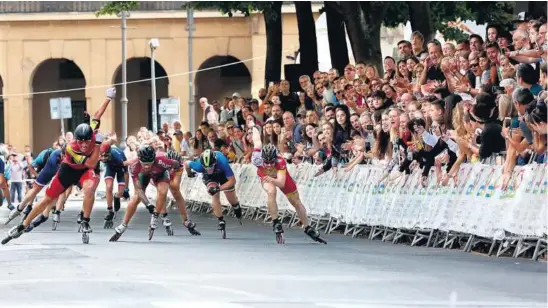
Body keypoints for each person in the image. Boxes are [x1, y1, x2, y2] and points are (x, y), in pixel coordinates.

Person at [2, 87, 116, 245]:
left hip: (84, 171)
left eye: (86, 141)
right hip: (68, 171)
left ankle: (85, 220)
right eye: (80, 141)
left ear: (91, 135)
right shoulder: (71, 147)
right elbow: (91, 162)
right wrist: (96, 144)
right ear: (76, 139)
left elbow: (97, 115)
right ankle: (23, 225)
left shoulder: (93, 132)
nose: (83, 144)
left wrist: (108, 98)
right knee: (45, 201)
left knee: (90, 189)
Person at [250, 124, 326, 244]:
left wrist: (271, 177)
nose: (269, 165)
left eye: (271, 162)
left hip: (279, 177)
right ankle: (276, 222)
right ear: (262, 159)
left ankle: (307, 227)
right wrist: (254, 127)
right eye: (267, 162)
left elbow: (281, 183)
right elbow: (257, 141)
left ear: (275, 158)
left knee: (296, 201)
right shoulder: (256, 158)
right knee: (271, 191)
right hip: (265, 177)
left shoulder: (280, 162)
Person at [109, 145, 200, 242]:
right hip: (144, 175)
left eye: (150, 163)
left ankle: (158, 216)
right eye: (145, 164)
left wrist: (183, 173)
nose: (147, 166)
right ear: (140, 160)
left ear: (154, 159)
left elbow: (178, 165)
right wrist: (148, 205)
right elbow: (139, 190)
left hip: (161, 173)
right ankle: (123, 225)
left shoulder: (162, 160)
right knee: (136, 198)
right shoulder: (134, 165)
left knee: (165, 191)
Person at [184, 149, 241, 239]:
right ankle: (220, 220)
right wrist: (189, 173)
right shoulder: (198, 166)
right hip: (209, 177)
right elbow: (186, 163)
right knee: (213, 192)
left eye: (211, 166)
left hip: (222, 173)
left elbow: (232, 181)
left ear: (215, 162)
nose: (209, 169)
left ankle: (236, 206)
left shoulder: (222, 162)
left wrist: (219, 188)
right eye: (206, 167)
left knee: (231, 199)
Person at [100, 144, 128, 229]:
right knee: (109, 187)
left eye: (106, 156)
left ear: (110, 153)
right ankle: (110, 211)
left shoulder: (118, 156)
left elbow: (126, 173)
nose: (104, 158)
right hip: (110, 168)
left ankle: (117, 196)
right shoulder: (98, 154)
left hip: (120, 167)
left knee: (121, 192)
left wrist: (126, 189)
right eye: (102, 156)